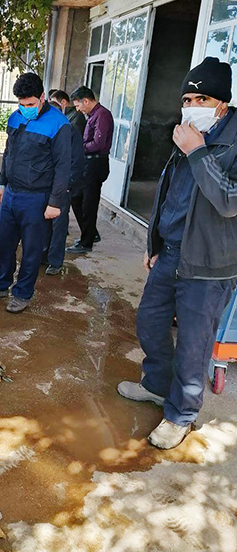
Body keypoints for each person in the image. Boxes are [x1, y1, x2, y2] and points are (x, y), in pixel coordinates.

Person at [117, 57, 237, 449]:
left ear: (221, 103)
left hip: (208, 263)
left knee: (193, 342)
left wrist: (198, 152)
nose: (191, 105)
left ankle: (181, 414)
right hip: (170, 252)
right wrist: (154, 245)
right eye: (187, 97)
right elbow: (169, 193)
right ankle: (155, 384)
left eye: (200, 97)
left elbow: (228, 201)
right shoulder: (187, 133)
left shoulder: (225, 141)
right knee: (150, 320)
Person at [0, 72, 71, 313]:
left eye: (30, 104)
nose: (25, 108)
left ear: (42, 98)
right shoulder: (15, 118)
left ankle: (22, 293)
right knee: (4, 243)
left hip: (38, 197)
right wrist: (1, 182)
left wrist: (55, 202)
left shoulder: (59, 125)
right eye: (21, 104)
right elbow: (8, 153)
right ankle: (0, 285)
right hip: (12, 193)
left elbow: (64, 167)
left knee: (31, 249)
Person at [66, 86, 113, 254]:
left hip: (95, 164)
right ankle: (90, 234)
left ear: (86, 101)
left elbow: (98, 144)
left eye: (78, 105)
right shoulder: (92, 115)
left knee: (89, 204)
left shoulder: (102, 115)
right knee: (77, 198)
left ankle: (87, 242)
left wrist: (79, 148)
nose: (77, 109)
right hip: (88, 163)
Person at [45, 99, 86, 275]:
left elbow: (77, 160)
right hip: (43, 184)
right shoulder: (44, 129)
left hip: (61, 186)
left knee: (59, 224)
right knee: (42, 223)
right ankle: (42, 256)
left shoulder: (71, 130)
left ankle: (55, 261)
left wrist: (68, 184)